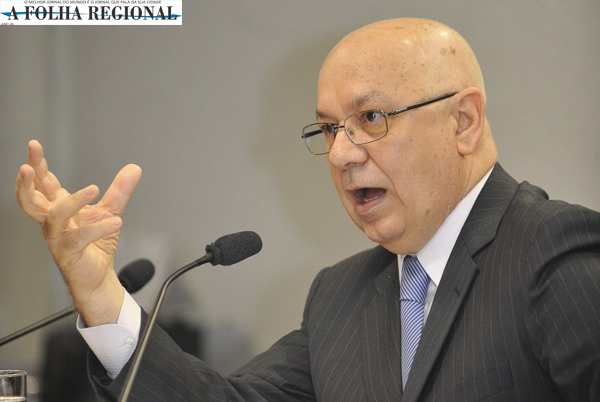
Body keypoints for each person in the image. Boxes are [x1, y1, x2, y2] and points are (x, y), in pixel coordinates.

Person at [15, 18, 600, 401]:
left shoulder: (552, 253)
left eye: (370, 118)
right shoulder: (340, 296)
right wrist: (99, 294)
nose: (341, 154)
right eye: (329, 129)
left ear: (463, 121)